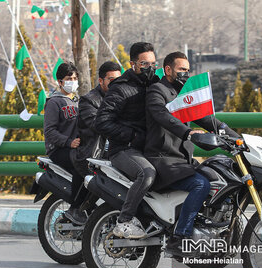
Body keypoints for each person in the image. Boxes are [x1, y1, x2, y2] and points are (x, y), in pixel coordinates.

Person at [144, 52, 239, 256]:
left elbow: (207, 120)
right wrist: (188, 132)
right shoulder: (156, 91)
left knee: (217, 179)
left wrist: (238, 139)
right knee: (200, 184)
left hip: (181, 160)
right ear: (168, 70)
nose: (186, 74)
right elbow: (164, 116)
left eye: (188, 70)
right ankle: (179, 237)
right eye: (182, 69)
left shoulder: (184, 94)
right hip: (162, 159)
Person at [95, 42, 160, 239]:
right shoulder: (121, 88)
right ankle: (124, 221)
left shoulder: (156, 85)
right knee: (146, 174)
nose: (150, 68)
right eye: (144, 64)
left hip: (148, 147)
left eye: (153, 63)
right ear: (133, 64)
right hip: (124, 149)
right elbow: (102, 122)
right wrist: (131, 136)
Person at [43, 62, 87, 225]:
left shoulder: (78, 101)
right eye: (69, 78)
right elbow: (49, 131)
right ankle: (74, 208)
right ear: (60, 81)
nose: (73, 81)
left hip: (78, 148)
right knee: (81, 164)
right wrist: (69, 142)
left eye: (75, 78)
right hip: (59, 150)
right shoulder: (54, 103)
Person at [72, 61, 122, 177]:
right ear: (101, 81)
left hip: (118, 152)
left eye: (119, 80)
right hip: (95, 155)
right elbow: (98, 125)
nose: (116, 84)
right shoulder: (88, 100)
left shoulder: (122, 97)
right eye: (111, 80)